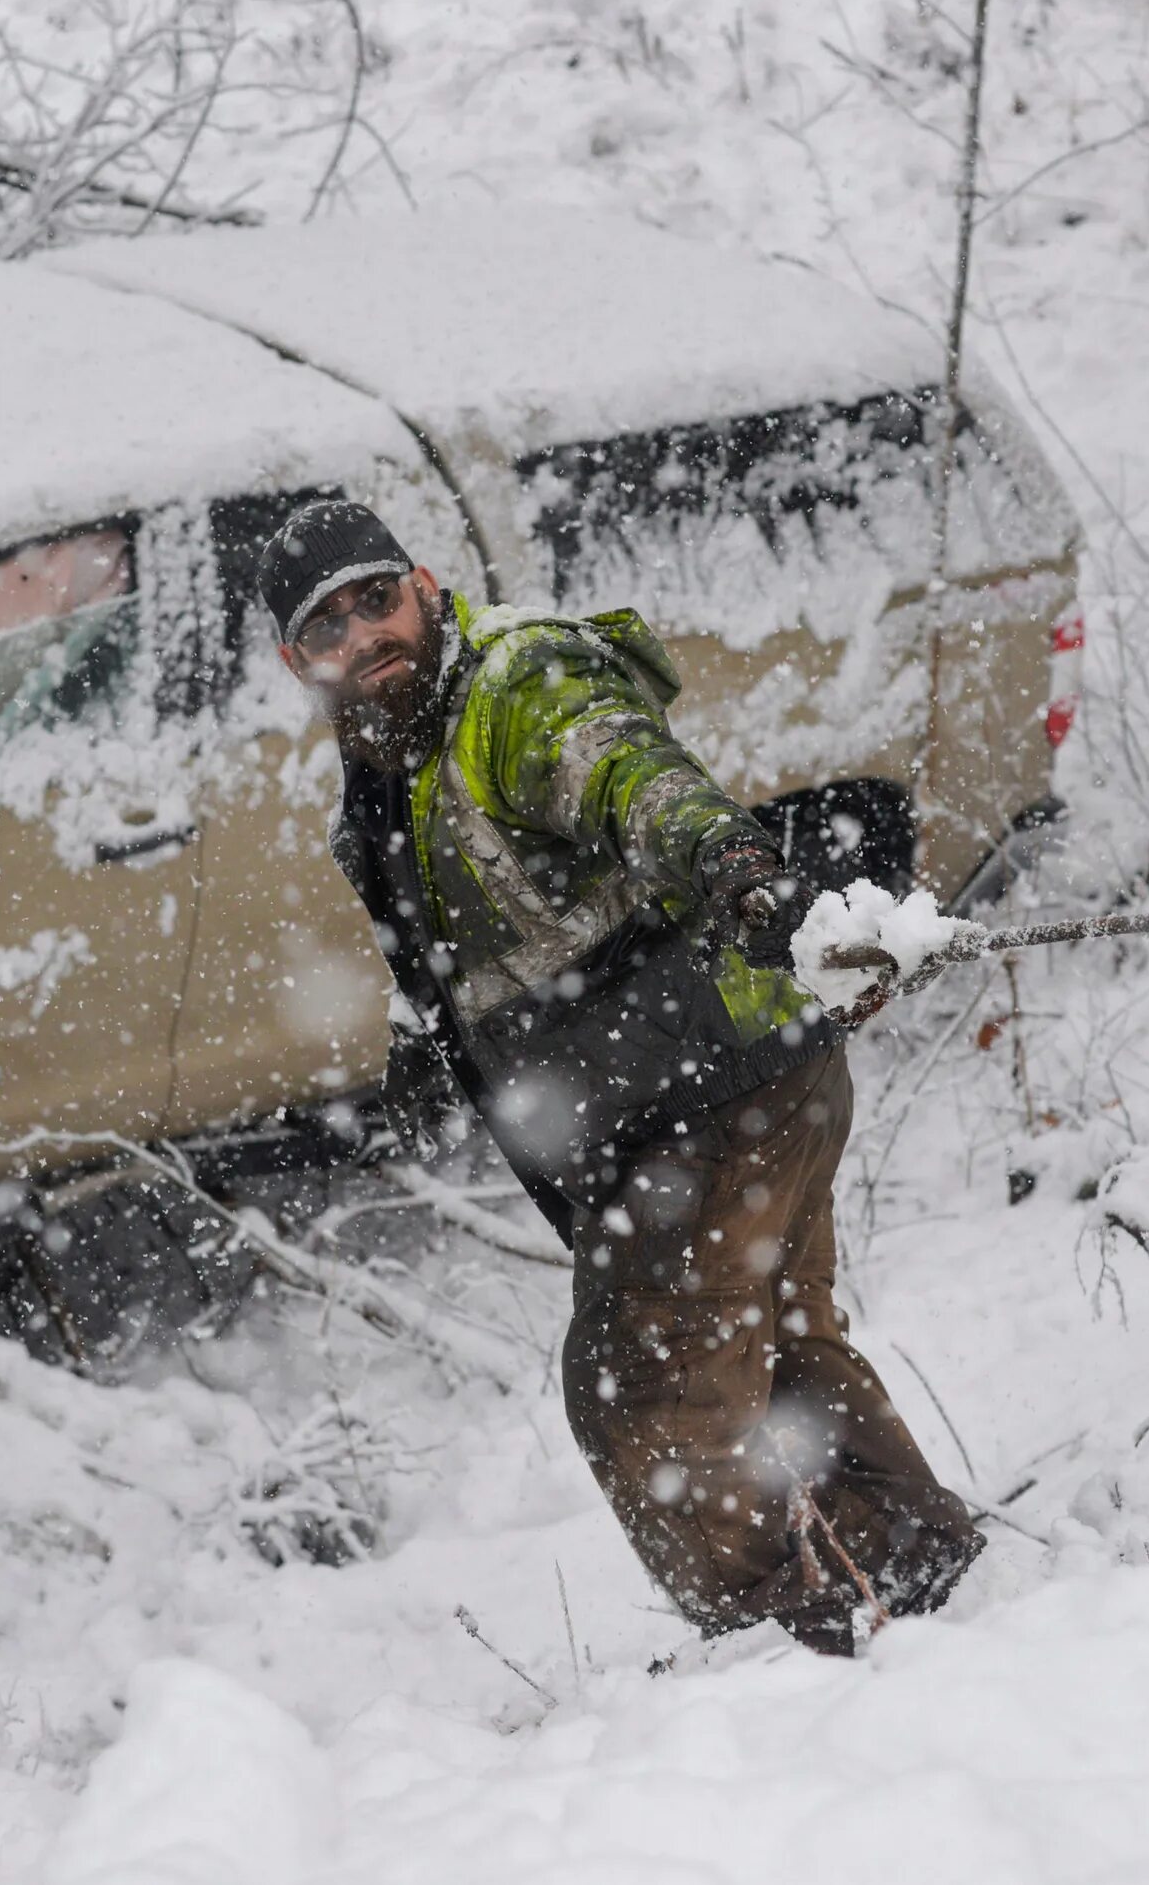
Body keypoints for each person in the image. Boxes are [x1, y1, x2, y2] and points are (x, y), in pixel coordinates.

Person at [264, 498, 984, 1656]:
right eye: (329, 625)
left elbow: (628, 775)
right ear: (296, 660)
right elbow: (465, 913)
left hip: (708, 1090)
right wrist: (428, 1039)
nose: (364, 634)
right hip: (737, 1079)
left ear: (427, 584)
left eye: (376, 598)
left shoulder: (513, 681)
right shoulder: (387, 753)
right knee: (781, 1343)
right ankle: (922, 1581)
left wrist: (736, 861)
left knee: (641, 1385)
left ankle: (781, 1652)